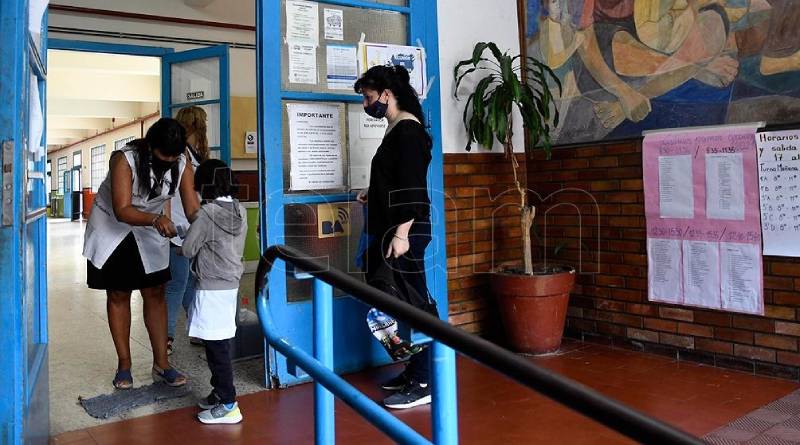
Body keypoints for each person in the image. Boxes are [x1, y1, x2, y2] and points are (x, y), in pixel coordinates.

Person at [83, 118, 200, 389]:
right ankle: (124, 365)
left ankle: (162, 363)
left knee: (156, 292)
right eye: (162, 159)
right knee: (119, 293)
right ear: (149, 147)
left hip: (151, 227)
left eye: (173, 159)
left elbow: (192, 208)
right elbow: (122, 209)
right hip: (112, 228)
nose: (168, 164)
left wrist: (211, 222)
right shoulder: (124, 159)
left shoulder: (182, 163)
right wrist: (155, 220)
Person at [354, 65, 439, 410]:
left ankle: (425, 378)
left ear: (387, 94)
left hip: (403, 234)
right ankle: (414, 369)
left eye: (369, 97)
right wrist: (372, 193)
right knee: (398, 302)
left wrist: (402, 234)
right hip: (391, 230)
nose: (366, 104)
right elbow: (394, 181)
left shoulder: (407, 132)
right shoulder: (396, 129)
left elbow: (412, 189)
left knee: (413, 303)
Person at [181, 159, 247, 424]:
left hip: (210, 287)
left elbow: (188, 249)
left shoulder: (207, 214)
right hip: (230, 285)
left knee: (215, 347)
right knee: (220, 342)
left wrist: (185, 238)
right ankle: (219, 393)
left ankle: (229, 403)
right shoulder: (239, 210)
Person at [165, 106, 209, 354]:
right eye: (202, 122)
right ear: (192, 125)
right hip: (179, 227)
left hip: (191, 225)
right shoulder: (179, 155)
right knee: (177, 283)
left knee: (190, 280)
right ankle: (167, 337)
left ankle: (198, 328)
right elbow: (171, 196)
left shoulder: (193, 154)